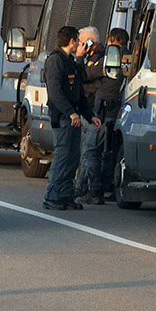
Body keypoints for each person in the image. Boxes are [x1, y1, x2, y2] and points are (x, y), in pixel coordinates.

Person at [43, 26, 101, 210]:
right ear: (71, 41)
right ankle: (52, 196)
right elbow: (55, 93)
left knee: (73, 157)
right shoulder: (55, 61)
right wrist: (70, 112)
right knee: (62, 155)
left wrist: (90, 116)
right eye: (78, 41)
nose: (80, 44)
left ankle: (65, 194)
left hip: (73, 117)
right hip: (62, 117)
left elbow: (79, 91)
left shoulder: (70, 61)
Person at [82, 27, 129, 203]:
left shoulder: (110, 58)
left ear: (110, 40)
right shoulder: (132, 59)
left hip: (103, 112)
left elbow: (86, 74)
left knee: (92, 150)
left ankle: (94, 191)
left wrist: (81, 58)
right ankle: (111, 187)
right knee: (111, 152)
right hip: (120, 110)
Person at [74, 26, 104, 202]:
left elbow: (82, 75)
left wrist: (79, 57)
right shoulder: (90, 58)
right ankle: (82, 186)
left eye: (81, 42)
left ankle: (92, 190)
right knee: (85, 152)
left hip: (94, 110)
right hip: (89, 110)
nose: (79, 45)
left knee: (89, 152)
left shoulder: (99, 58)